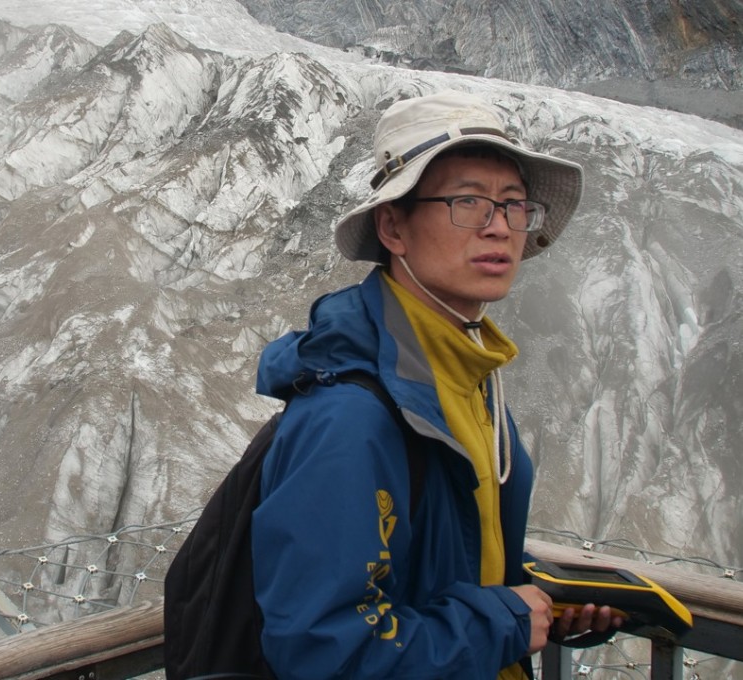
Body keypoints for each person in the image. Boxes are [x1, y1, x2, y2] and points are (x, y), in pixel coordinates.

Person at [251, 91, 618, 679]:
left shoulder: (463, 376)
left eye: (513, 205)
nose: (499, 228)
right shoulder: (351, 416)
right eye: (467, 202)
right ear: (393, 226)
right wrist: (503, 622)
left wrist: (540, 601)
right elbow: (325, 650)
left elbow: (447, 557)